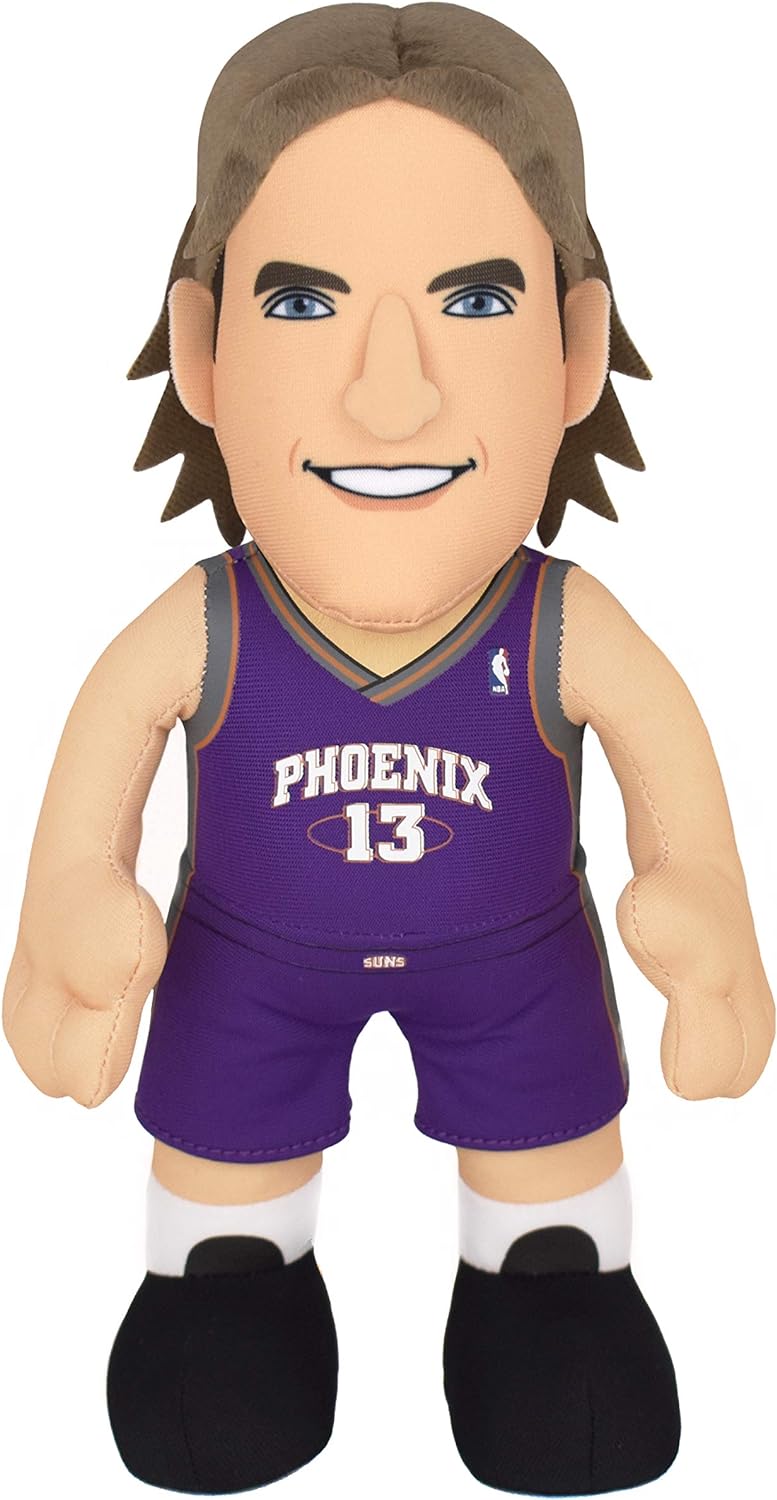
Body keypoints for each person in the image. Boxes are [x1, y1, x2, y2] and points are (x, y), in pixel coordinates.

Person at [3, 5, 773, 1494]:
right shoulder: (208, 621)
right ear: (203, 347)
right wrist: (72, 920)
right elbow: (87, 801)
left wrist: (709, 923)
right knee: (221, 1226)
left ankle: (549, 1294)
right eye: (302, 302)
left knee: (553, 1215)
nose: (391, 390)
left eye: (475, 300)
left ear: (574, 346)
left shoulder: (560, 620)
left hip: (519, 964)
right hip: (243, 964)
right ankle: (225, 1288)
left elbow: (681, 800)